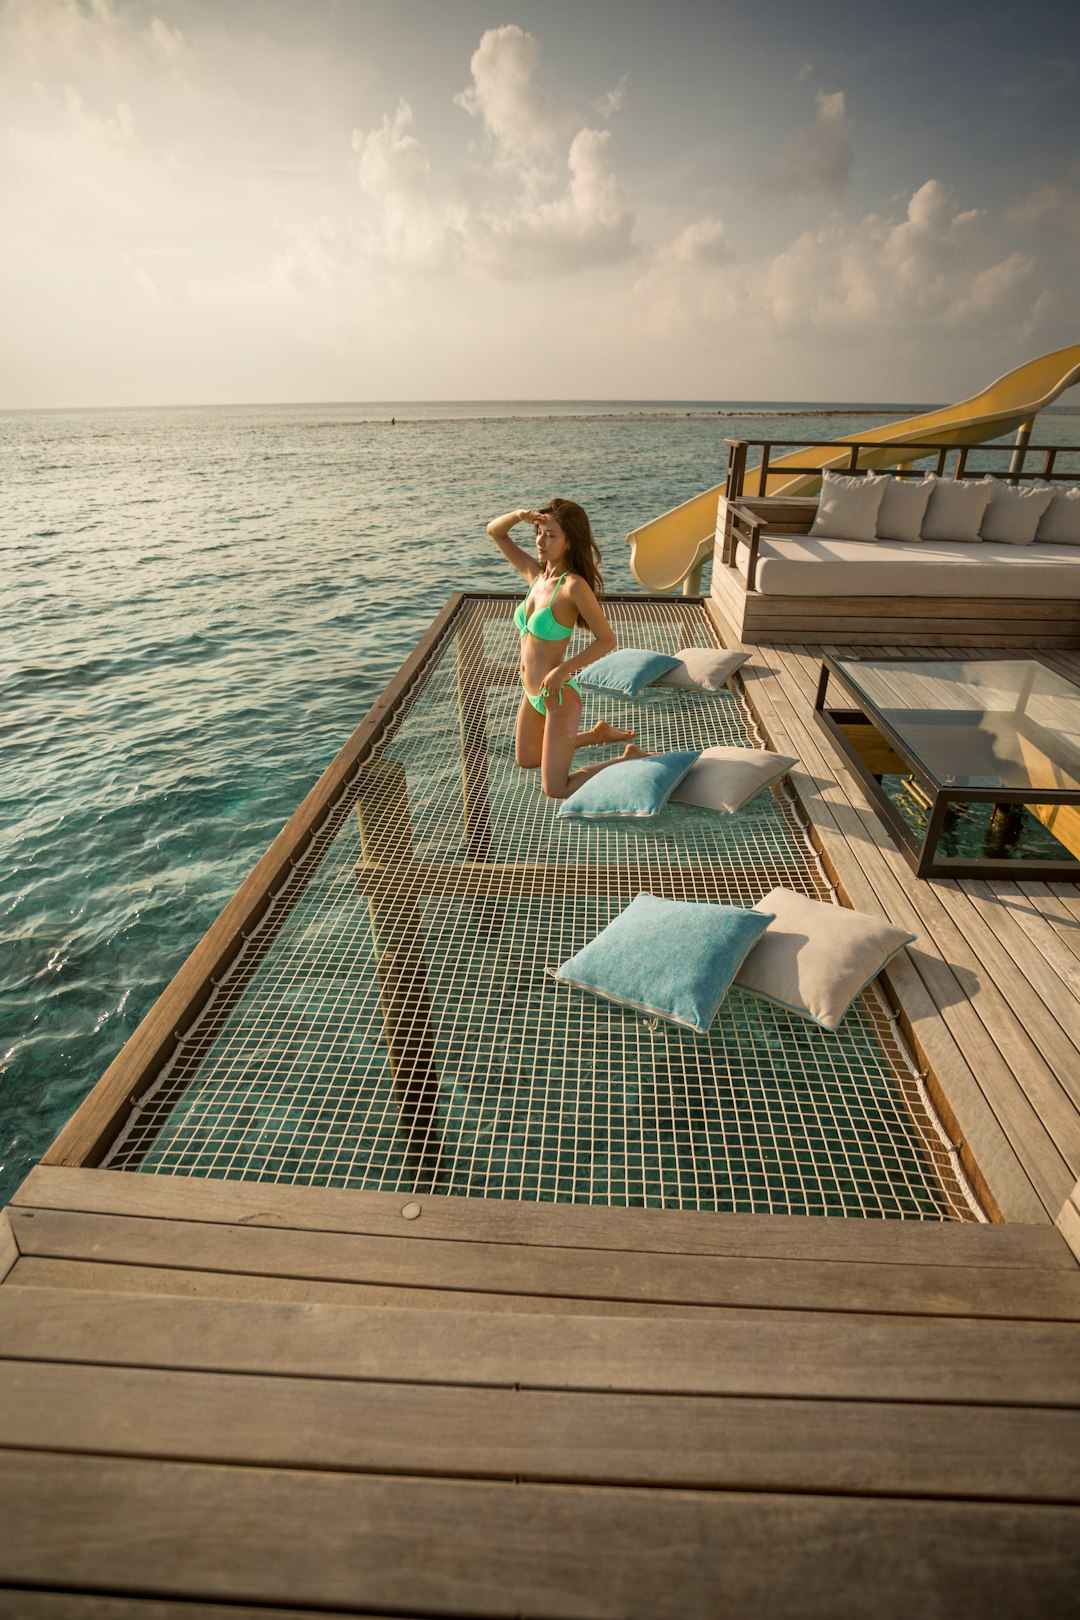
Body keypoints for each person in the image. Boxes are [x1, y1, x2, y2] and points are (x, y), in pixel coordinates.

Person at [487, 498, 646, 799]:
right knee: (527, 759)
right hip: (532, 691)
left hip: (558, 696)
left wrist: (564, 668)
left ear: (570, 542)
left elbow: (607, 639)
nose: (540, 541)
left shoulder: (572, 586)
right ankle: (596, 735)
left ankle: (628, 758)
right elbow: (495, 532)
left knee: (556, 789)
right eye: (539, 532)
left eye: (551, 535)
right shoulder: (536, 576)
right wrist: (519, 515)